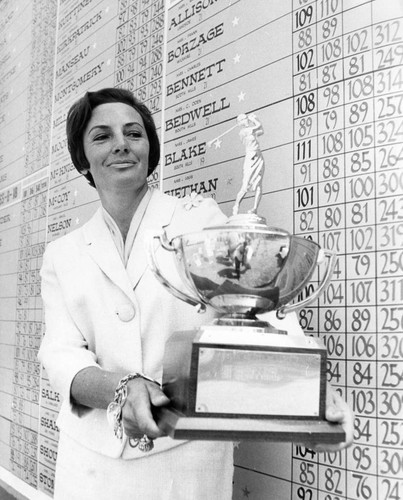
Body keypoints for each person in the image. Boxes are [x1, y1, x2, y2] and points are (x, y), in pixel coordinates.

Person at [38, 88, 353, 500]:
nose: (121, 144)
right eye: (102, 136)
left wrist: (310, 393)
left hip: (185, 461)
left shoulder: (197, 220)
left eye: (134, 133)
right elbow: (60, 354)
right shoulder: (63, 254)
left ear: (150, 149)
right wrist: (122, 389)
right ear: (82, 158)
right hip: (89, 464)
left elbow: (255, 304)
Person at [232, 113, 265, 216]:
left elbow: (261, 131)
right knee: (245, 186)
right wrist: (254, 119)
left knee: (259, 183)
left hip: (258, 157)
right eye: (243, 118)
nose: (246, 119)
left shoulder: (251, 130)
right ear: (239, 123)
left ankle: (255, 208)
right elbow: (258, 126)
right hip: (250, 158)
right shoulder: (243, 132)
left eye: (245, 117)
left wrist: (255, 120)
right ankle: (236, 205)